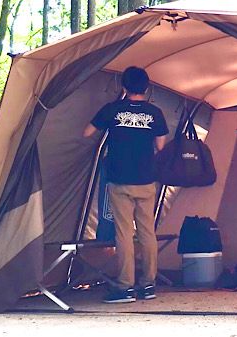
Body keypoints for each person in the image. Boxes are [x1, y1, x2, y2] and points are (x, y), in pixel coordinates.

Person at [83, 66, 168, 303]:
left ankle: (124, 287)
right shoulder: (155, 112)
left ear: (123, 87)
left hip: (119, 180)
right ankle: (148, 285)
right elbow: (161, 146)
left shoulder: (112, 110)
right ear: (147, 88)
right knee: (147, 232)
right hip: (146, 180)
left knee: (124, 233)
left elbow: (87, 132)